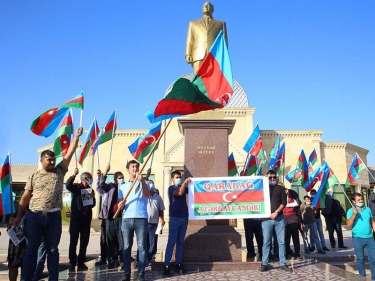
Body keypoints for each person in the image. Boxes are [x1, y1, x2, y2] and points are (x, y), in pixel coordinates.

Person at [11, 127, 82, 281]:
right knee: (31, 251)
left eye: (53, 159)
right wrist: (18, 216)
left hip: (53, 218)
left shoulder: (60, 171)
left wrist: (76, 136)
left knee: (52, 250)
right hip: (34, 217)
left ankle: (53, 278)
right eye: (48, 159)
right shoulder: (34, 176)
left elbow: (69, 153)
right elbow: (24, 197)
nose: (51, 162)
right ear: (41, 160)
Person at [117, 160, 150, 281]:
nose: (135, 168)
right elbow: (118, 203)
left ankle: (141, 273)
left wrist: (141, 181)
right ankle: (126, 273)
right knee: (126, 247)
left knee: (141, 247)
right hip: (126, 219)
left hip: (141, 218)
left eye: (137, 166)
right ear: (128, 169)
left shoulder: (145, 183)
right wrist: (120, 204)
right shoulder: (123, 186)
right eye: (133, 167)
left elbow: (147, 195)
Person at [258, 170, 291, 273]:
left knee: (281, 242)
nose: (272, 179)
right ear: (266, 178)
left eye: (274, 177)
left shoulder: (281, 188)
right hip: (266, 219)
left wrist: (276, 212)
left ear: (276, 178)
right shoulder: (262, 189)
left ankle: (283, 263)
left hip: (279, 218)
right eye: (270, 178)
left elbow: (284, 202)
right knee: (266, 242)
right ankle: (264, 263)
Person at [65, 168, 96, 271]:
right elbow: (68, 185)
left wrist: (93, 197)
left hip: (86, 219)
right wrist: (74, 175)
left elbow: (92, 205)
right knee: (73, 241)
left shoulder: (90, 190)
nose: (91, 180)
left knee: (84, 241)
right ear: (85, 179)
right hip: (75, 218)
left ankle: (81, 262)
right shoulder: (76, 187)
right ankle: (72, 262)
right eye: (90, 178)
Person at [185, 1, 228, 73]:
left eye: (208, 5)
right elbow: (190, 40)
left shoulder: (221, 24)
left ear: (212, 9)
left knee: (213, 80)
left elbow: (224, 42)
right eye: (204, 5)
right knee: (197, 80)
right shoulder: (193, 23)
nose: (206, 6)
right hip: (198, 55)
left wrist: (224, 57)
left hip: (214, 55)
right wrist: (188, 54)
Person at [96, 165, 124, 269]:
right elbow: (101, 186)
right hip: (110, 217)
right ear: (116, 179)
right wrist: (105, 172)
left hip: (121, 217)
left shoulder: (125, 187)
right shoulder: (111, 186)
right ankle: (110, 259)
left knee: (120, 239)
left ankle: (120, 259)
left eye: (122, 178)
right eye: (119, 178)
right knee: (109, 239)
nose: (121, 179)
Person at [163, 171, 190, 277]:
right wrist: (184, 183)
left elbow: (194, 190)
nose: (179, 179)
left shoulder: (183, 187)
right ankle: (166, 265)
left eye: (180, 177)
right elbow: (179, 193)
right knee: (171, 242)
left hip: (184, 217)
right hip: (175, 218)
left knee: (180, 242)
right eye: (177, 177)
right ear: (172, 179)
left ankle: (178, 263)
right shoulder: (171, 188)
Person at [346, 192, 375, 280]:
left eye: (361, 199)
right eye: (358, 200)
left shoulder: (368, 209)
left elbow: (372, 221)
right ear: (354, 201)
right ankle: (362, 277)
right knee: (360, 259)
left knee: (373, 259)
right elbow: (348, 224)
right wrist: (354, 215)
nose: (361, 201)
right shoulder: (351, 211)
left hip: (369, 238)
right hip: (358, 238)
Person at [147, 180, 165, 265]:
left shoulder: (158, 197)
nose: (150, 185)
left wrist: (162, 219)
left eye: (151, 183)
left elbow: (161, 209)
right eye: (148, 183)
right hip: (144, 222)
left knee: (153, 241)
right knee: (144, 241)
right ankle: (142, 259)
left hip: (154, 222)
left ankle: (151, 257)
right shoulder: (145, 195)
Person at [283, 188, 302, 259]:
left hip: (293, 217)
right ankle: (287, 251)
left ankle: (297, 253)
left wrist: (286, 205)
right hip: (284, 218)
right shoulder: (281, 195)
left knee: (295, 237)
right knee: (286, 237)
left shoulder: (292, 194)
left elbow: (297, 203)